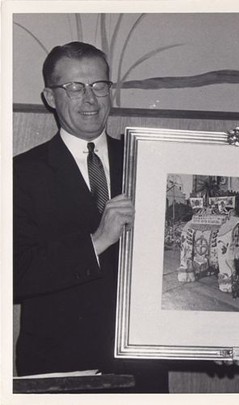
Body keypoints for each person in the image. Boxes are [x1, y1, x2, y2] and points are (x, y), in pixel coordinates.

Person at [13, 41, 167, 391]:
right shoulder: (20, 175)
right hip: (59, 368)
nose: (90, 99)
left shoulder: (151, 164)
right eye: (74, 88)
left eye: (99, 86)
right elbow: (14, 274)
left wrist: (209, 336)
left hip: (144, 368)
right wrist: (97, 242)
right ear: (50, 97)